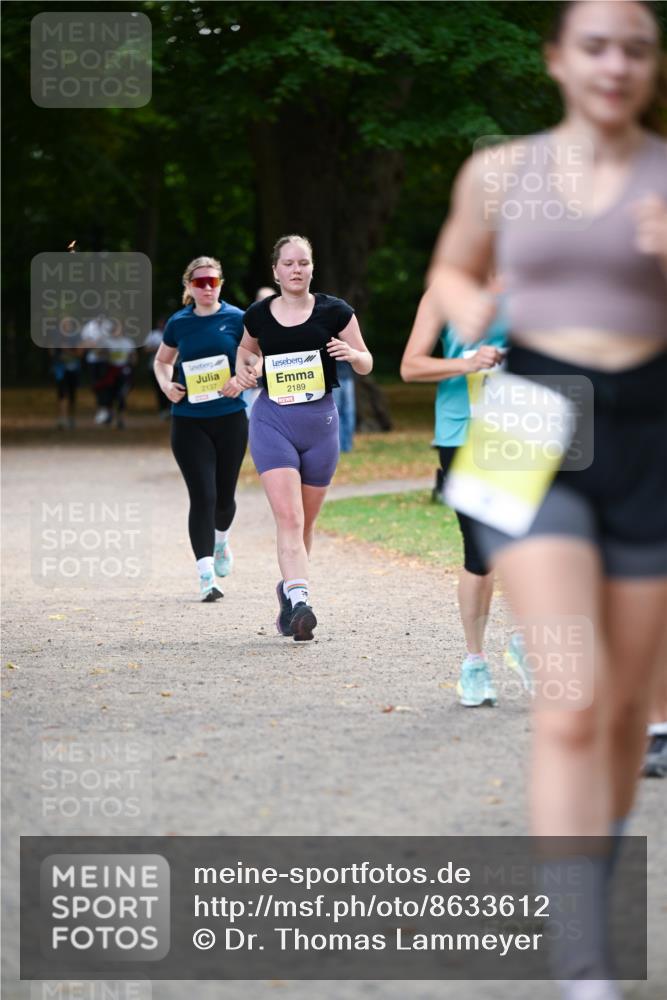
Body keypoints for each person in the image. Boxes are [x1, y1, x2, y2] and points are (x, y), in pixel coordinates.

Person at [427, 2, 666, 996]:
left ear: (651, 66)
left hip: (650, 423)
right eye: (595, 45)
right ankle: (581, 961)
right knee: (570, 698)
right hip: (529, 414)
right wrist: (473, 306)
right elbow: (451, 268)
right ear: (557, 59)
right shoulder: (498, 172)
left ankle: (586, 887)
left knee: (623, 710)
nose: (615, 64)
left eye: (636, 48)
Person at [233, 235, 373, 640]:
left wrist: (354, 356)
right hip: (272, 421)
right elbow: (245, 352)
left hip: (320, 425)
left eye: (304, 263)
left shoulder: (335, 311)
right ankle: (301, 605)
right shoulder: (258, 315)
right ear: (275, 271)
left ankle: (289, 590)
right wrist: (245, 369)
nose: (297, 270)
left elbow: (366, 361)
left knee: (305, 522)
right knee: (290, 519)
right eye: (289, 263)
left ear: (313, 268)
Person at [401, 285, 525, 707]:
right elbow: (410, 366)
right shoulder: (444, 294)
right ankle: (475, 663)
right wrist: (468, 362)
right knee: (480, 553)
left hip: (525, 428)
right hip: (464, 433)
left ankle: (526, 641)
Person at [153, 256, 248, 601]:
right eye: (199, 282)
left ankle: (221, 542)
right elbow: (162, 361)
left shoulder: (238, 319)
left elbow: (256, 358)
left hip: (230, 418)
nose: (207, 288)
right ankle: (206, 576)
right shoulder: (179, 322)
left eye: (213, 281)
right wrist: (167, 385)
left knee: (224, 499)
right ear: (189, 287)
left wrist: (241, 378)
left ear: (221, 284)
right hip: (189, 421)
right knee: (203, 496)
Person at [143, 318, 170, 418]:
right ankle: (162, 409)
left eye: (164, 323)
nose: (162, 325)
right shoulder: (153, 335)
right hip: (155, 366)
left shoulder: (172, 333)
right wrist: (158, 349)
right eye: (161, 323)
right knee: (159, 388)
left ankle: (170, 408)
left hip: (171, 366)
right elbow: (146, 349)